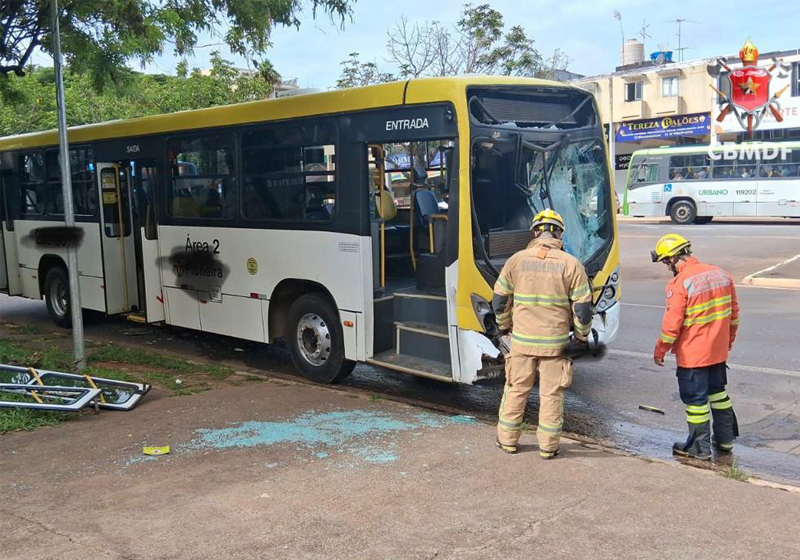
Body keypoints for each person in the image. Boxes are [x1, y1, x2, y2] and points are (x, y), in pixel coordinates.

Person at [492, 209, 593, 459]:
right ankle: (548, 447)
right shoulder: (571, 264)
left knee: (516, 389)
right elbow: (582, 309)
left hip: (522, 342)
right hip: (555, 344)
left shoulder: (516, 260)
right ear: (559, 233)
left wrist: (504, 326)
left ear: (535, 232)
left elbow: (499, 300)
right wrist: (581, 337)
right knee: (551, 394)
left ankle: (507, 441)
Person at [651, 234, 740, 461]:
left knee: (696, 402)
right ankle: (726, 439)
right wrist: (728, 342)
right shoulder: (721, 274)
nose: (667, 266)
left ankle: (699, 449)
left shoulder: (680, 284)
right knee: (718, 394)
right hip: (718, 352)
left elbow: (671, 326)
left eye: (666, 261)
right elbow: (733, 315)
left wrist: (660, 350)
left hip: (693, 356)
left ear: (673, 258)